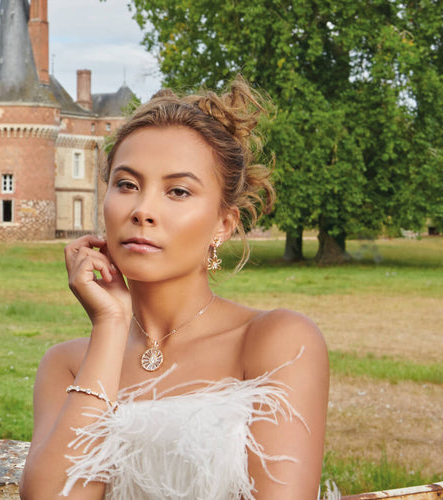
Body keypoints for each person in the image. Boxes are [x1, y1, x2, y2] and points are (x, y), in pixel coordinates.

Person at [19, 79, 330, 500]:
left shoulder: (277, 342)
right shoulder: (68, 365)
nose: (143, 210)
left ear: (223, 224)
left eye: (178, 191)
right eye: (126, 184)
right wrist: (110, 327)